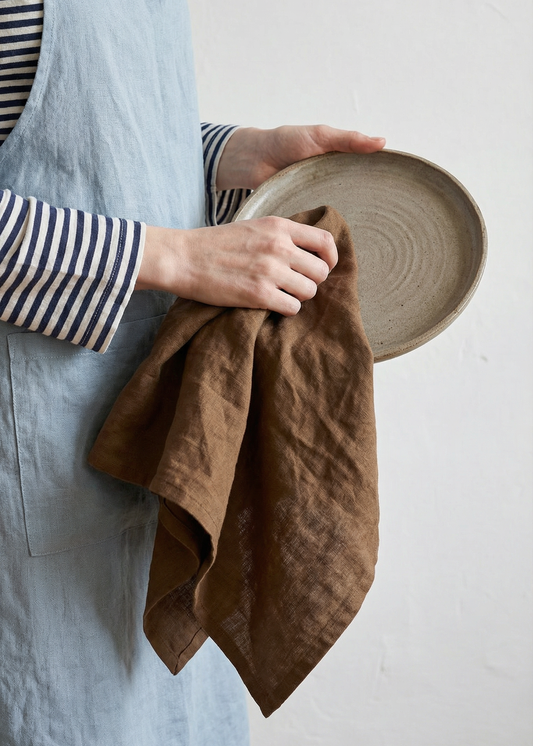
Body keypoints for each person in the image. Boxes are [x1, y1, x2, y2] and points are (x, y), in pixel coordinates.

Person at [0, 1, 385, 743]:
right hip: (26, 477)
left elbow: (80, 147)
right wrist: (173, 257)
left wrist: (229, 154)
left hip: (151, 449)